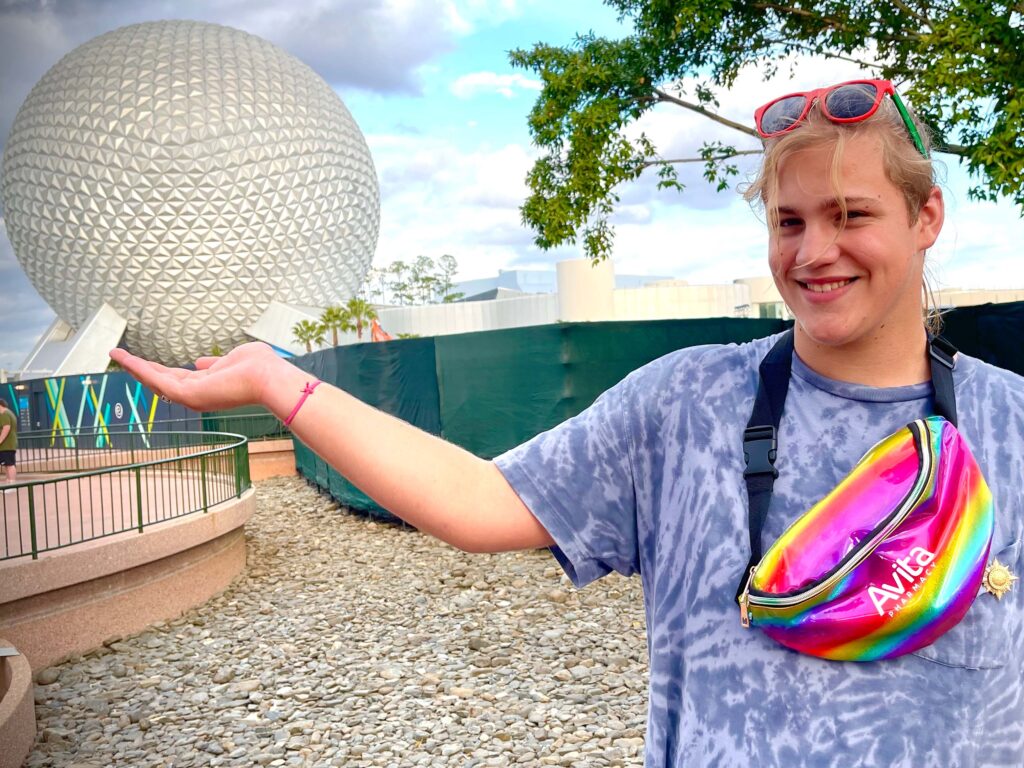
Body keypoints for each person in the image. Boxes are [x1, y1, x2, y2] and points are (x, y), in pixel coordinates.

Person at [110, 79, 1024, 767]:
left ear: (926, 216)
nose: (814, 251)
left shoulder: (1011, 425)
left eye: (851, 214)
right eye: (789, 221)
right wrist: (280, 382)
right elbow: (477, 501)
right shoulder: (683, 405)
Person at [0, 397, 17, 485]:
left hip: (7, 445)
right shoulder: (9, 413)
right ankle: (9, 482)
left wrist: (0, 440)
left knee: (9, 465)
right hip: (8, 444)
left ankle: (12, 484)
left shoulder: (4, 414)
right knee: (7, 464)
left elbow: (6, 428)